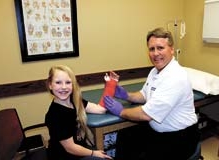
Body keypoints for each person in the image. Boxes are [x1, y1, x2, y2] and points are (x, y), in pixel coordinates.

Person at [104, 27, 200, 160]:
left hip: (180, 137)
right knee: (125, 136)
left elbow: (145, 114)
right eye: (151, 49)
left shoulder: (176, 77)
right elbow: (144, 95)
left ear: (171, 49)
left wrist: (121, 111)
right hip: (158, 131)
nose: (155, 53)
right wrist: (126, 95)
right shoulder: (155, 71)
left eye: (160, 48)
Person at [45, 65, 115, 160]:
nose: (64, 87)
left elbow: (100, 109)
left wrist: (111, 85)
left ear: (73, 85)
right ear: (50, 85)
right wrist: (94, 153)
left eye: (68, 82)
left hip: (79, 149)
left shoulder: (75, 101)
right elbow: (70, 148)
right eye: (58, 82)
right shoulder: (56, 114)